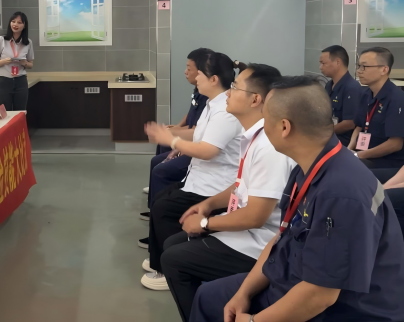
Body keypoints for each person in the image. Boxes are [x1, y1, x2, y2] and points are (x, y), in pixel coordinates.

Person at [190, 75, 404, 322]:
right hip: (293, 276)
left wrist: (253, 321)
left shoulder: (341, 192)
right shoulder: (308, 167)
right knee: (209, 297)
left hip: (344, 310)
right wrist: (243, 293)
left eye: (265, 119)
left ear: (284, 127)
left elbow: (320, 295)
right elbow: (281, 239)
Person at [161, 64, 294, 320]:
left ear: (255, 100)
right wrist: (209, 204)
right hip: (246, 226)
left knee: (174, 259)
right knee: (172, 243)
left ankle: (204, 311)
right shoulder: (253, 135)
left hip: (261, 241)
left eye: (235, 87)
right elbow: (242, 184)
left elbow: (256, 217)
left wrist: (205, 223)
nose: (228, 93)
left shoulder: (269, 146)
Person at [142, 51, 244, 290]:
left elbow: (208, 150)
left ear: (214, 79)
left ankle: (167, 268)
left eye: (199, 74)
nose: (194, 77)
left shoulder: (225, 111)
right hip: (199, 179)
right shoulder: (212, 103)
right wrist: (170, 133)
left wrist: (172, 140)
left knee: (165, 208)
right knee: (160, 200)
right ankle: (160, 262)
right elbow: (198, 133)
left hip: (215, 186)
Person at [138, 47, 211, 247]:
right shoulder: (201, 92)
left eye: (190, 68)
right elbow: (192, 117)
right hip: (195, 147)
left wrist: (174, 137)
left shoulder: (215, 102)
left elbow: (201, 137)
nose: (185, 72)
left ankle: (157, 214)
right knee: (162, 151)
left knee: (160, 167)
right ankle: (154, 206)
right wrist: (176, 129)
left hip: (201, 157)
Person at [349, 47, 404, 172]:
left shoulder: (397, 99)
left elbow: (395, 144)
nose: (359, 71)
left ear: (384, 69)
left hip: (388, 163)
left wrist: (358, 155)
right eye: (359, 66)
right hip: (365, 156)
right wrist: (350, 150)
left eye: (364, 67)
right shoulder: (366, 94)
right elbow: (359, 126)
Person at [319, 45, 362, 146]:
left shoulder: (352, 88)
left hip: (342, 140)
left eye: (323, 63)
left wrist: (323, 132)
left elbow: (349, 123)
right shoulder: (329, 85)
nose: (320, 67)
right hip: (328, 135)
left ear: (337, 62)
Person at [0, 11, 34, 111]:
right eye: (13, 21)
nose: (15, 24)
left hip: (21, 81)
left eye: (19, 22)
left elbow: (31, 64)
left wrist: (24, 63)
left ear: (24, 25)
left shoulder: (28, 43)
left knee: (20, 113)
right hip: (4, 81)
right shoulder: (1, 40)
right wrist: (4, 61)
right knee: (5, 113)